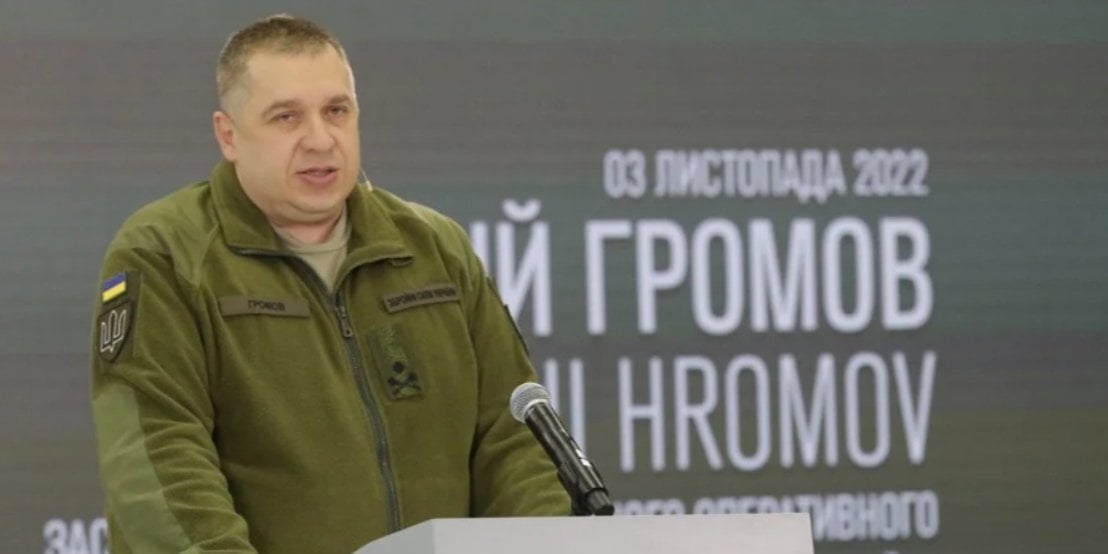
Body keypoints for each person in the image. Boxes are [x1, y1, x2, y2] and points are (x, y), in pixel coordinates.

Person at [90, 14, 569, 553]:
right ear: (228, 135)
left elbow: (513, 440)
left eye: (336, 111)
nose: (320, 140)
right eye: (286, 117)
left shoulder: (435, 249)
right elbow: (158, 467)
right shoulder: (165, 253)